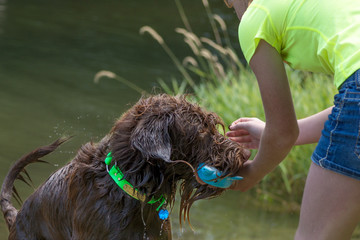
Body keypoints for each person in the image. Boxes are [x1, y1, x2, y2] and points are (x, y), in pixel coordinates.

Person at [222, 0, 360, 239]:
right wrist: (270, 131)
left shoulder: (257, 16)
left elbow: (283, 133)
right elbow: (346, 112)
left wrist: (253, 172)